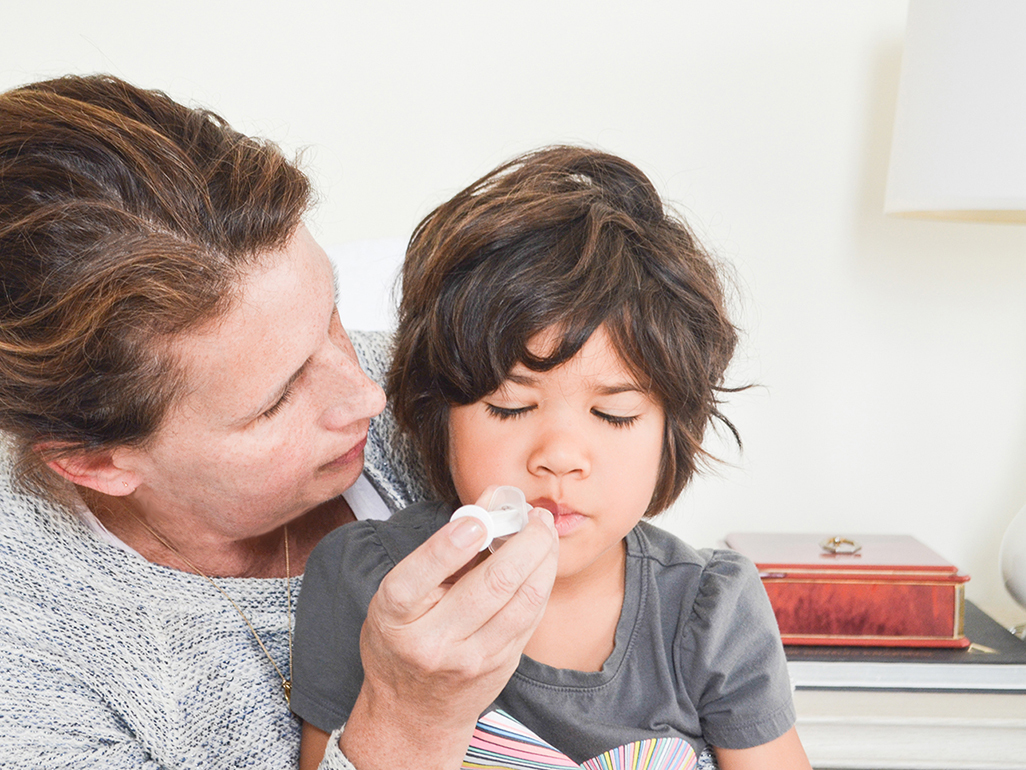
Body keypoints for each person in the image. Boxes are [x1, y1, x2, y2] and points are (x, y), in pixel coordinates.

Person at [0, 74, 559, 770]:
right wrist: (409, 724)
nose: (369, 395)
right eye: (276, 400)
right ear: (97, 463)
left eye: (333, 316)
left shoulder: (446, 386)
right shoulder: (27, 673)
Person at [291, 147, 813, 770]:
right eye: (510, 407)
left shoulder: (712, 610)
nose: (560, 458)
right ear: (438, 417)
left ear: (672, 432)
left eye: (615, 414)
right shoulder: (369, 579)